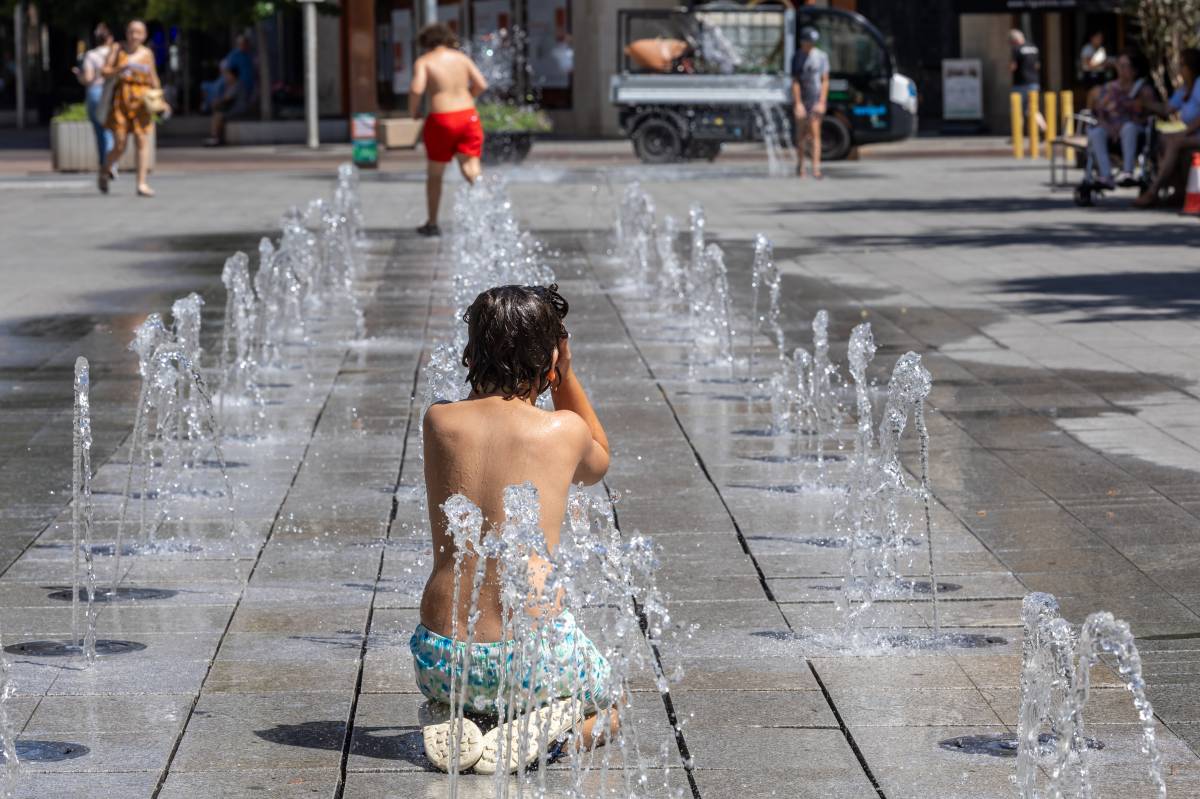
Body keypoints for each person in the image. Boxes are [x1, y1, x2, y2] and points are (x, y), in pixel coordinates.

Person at [414, 284, 617, 773]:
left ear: (470, 353)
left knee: (464, 694)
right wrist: (564, 372)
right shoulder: (564, 430)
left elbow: (485, 424)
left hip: (440, 659)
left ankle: (453, 714)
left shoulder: (438, 421)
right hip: (532, 655)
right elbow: (600, 463)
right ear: (549, 359)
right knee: (612, 709)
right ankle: (552, 739)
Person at [409, 23, 488, 237]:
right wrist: (468, 96)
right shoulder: (462, 58)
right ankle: (487, 215)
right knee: (472, 168)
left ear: (426, 43)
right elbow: (481, 84)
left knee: (435, 173)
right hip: (467, 116)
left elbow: (417, 88)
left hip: (441, 119)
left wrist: (413, 111)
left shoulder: (425, 61)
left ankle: (432, 223)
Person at [99, 20, 166, 197]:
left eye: (138, 32)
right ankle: (104, 170)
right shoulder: (117, 49)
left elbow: (153, 78)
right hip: (121, 99)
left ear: (144, 35)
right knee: (120, 144)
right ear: (126, 33)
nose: (134, 36)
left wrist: (160, 99)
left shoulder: (147, 53)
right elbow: (104, 71)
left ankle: (141, 183)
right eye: (131, 32)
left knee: (141, 141)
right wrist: (118, 69)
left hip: (141, 101)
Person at [1135, 48, 1200, 207]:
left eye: (1182, 65)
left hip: (1195, 133)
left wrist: (1184, 133)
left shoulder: (1199, 84)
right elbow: (1167, 109)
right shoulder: (1185, 89)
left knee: (1174, 142)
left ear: (1192, 66)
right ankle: (1178, 190)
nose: (1180, 69)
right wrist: (1145, 103)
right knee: (1164, 139)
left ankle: (1153, 191)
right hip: (1192, 135)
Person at [1085, 51, 1155, 188]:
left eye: (1125, 66)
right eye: (1119, 65)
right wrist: (1108, 126)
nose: (1121, 70)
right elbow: (1099, 112)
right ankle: (1105, 175)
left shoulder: (1143, 90)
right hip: (1110, 131)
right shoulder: (1109, 88)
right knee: (1097, 132)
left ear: (1134, 70)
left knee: (1128, 128)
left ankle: (1128, 172)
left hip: (1134, 131)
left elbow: (1148, 115)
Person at [73, 23, 115, 173]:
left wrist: (79, 75)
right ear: (110, 38)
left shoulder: (91, 55)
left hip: (95, 92)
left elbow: (89, 78)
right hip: (111, 92)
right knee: (111, 130)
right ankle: (111, 164)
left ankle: (105, 163)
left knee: (99, 131)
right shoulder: (115, 54)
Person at [791, 26, 830, 179]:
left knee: (815, 133)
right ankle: (801, 166)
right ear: (803, 42)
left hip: (815, 98)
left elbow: (825, 80)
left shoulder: (821, 56)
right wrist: (798, 103)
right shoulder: (797, 57)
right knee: (800, 134)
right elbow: (795, 81)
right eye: (808, 42)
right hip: (803, 99)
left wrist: (822, 101)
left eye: (813, 42)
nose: (810, 45)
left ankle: (816, 167)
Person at [205, 35, 255, 147]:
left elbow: (227, 98)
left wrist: (218, 102)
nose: (226, 76)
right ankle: (216, 137)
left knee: (219, 114)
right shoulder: (234, 57)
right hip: (236, 103)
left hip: (239, 106)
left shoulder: (237, 84)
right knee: (218, 113)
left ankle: (215, 137)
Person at [1010, 29, 1046, 132]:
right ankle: (1044, 127)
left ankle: (1017, 134)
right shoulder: (1034, 48)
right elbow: (1037, 65)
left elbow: (1013, 66)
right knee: (1032, 109)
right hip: (1034, 82)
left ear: (1014, 40)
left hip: (1020, 83)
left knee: (1017, 110)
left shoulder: (1016, 49)